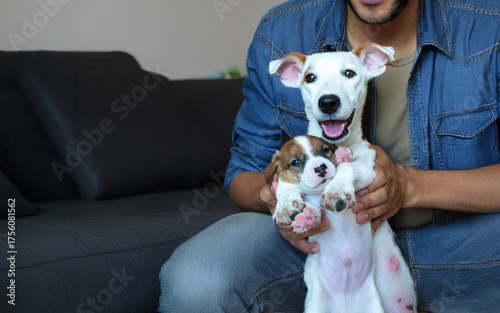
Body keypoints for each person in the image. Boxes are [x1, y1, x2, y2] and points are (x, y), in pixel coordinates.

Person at [159, 0, 500, 312]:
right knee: (195, 277)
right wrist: (278, 198)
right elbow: (242, 174)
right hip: (319, 247)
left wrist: (409, 186)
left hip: (460, 244)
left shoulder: (490, 26)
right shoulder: (280, 33)